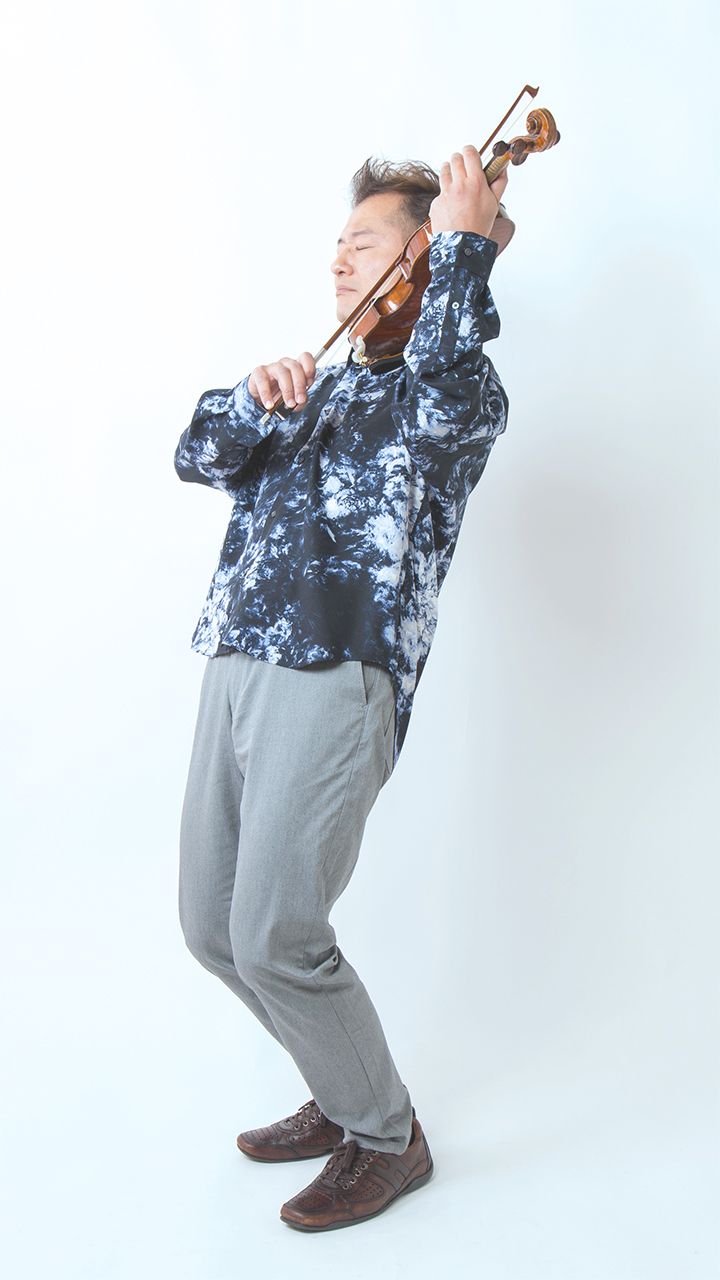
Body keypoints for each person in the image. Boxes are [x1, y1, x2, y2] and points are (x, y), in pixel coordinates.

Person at [174, 145, 509, 1232]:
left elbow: (448, 391)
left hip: (336, 672)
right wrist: (252, 395)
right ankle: (342, 1080)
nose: (337, 263)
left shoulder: (448, 388)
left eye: (362, 244)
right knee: (212, 928)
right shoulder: (314, 384)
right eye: (335, 245)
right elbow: (197, 453)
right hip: (237, 661)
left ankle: (387, 1135)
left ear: (419, 258)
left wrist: (466, 247)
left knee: (276, 930)